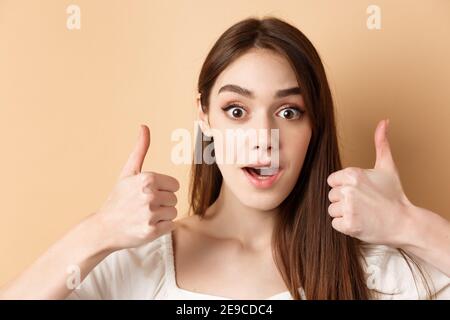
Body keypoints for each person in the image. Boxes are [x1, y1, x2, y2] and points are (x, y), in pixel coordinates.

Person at [0, 16, 448, 300]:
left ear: (314, 128)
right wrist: (97, 231)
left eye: (289, 112)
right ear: (204, 118)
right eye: (237, 111)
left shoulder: (368, 267)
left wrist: (408, 224)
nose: (264, 137)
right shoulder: (139, 262)